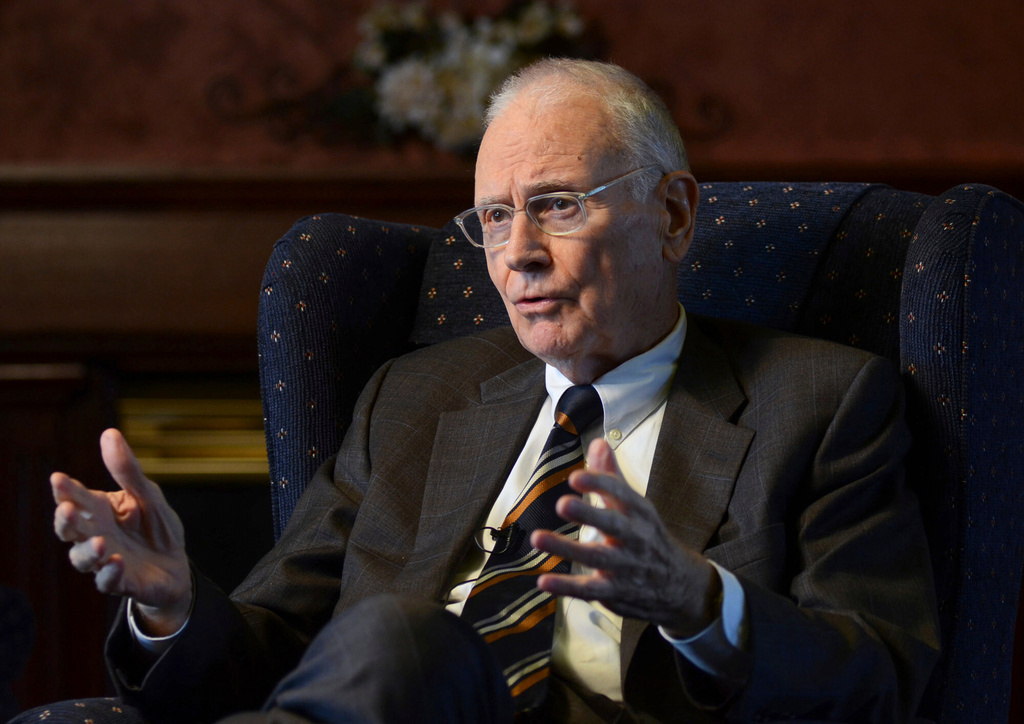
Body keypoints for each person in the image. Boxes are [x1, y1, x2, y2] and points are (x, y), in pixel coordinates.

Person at [49, 59, 939, 722]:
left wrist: (698, 599)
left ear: (673, 216)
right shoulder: (416, 398)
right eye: (495, 217)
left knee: (406, 638)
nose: (516, 255)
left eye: (557, 205)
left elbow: (885, 678)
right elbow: (277, 651)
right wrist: (172, 606)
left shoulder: (820, 402)